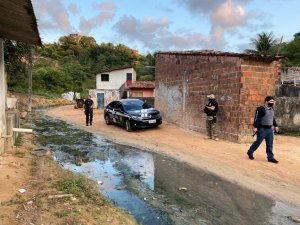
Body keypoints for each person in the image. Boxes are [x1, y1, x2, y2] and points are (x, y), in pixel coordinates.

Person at [247, 96, 280, 163]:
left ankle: (270, 157)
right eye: (270, 102)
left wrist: (275, 125)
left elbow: (272, 118)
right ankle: (250, 152)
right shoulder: (261, 109)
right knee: (258, 142)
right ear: (266, 102)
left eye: (273, 102)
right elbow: (257, 118)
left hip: (270, 130)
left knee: (270, 144)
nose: (272, 103)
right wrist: (255, 127)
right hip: (262, 129)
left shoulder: (272, 109)